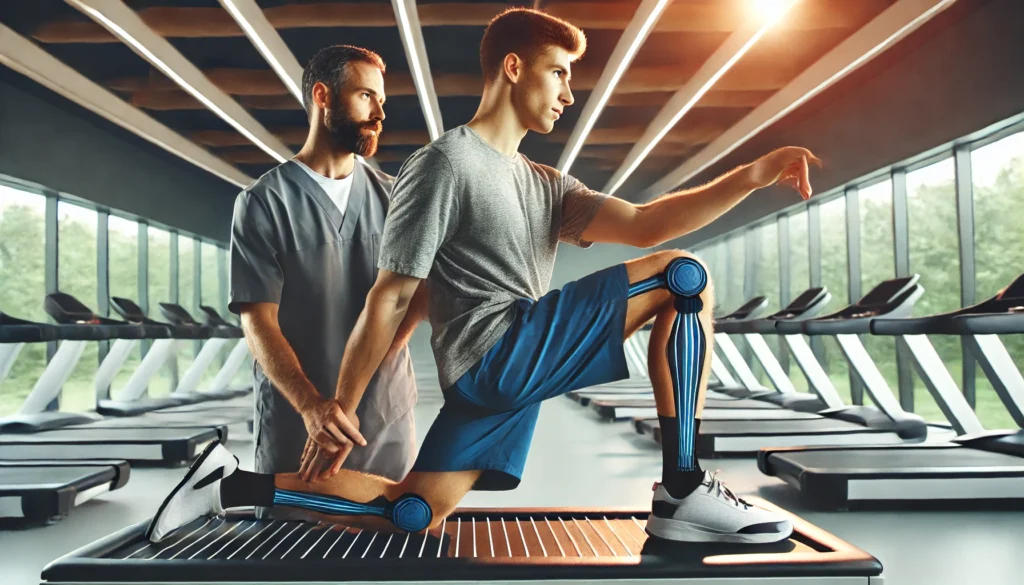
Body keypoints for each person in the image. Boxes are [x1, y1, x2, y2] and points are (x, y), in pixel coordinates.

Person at [151, 8, 820, 544]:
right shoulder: (446, 162)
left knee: (411, 510)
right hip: (499, 352)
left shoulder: (544, 183)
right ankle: (683, 487)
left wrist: (755, 174)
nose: (568, 90)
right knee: (684, 278)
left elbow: (645, 223)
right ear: (513, 67)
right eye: (557, 73)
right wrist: (341, 408)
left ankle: (231, 485)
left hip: (495, 384)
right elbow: (393, 294)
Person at [227, 45, 424, 498]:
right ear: (323, 96)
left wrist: (359, 394)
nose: (379, 113)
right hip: (301, 423)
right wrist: (313, 407)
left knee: (391, 545)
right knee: (294, 554)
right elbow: (257, 320)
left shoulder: (397, 199)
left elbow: (413, 301)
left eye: (382, 102)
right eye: (365, 97)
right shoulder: (263, 203)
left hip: (383, 416)